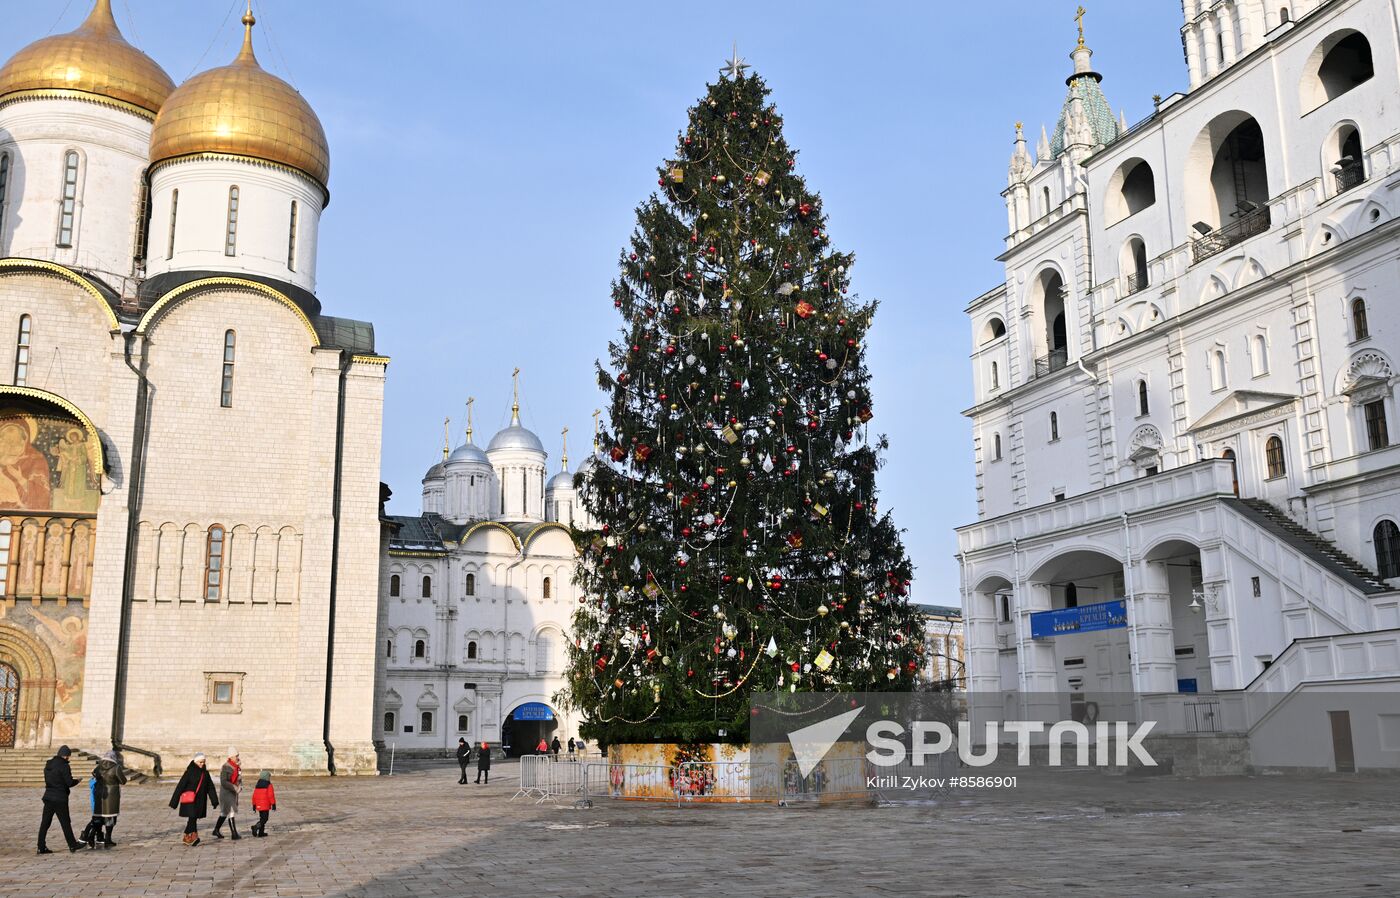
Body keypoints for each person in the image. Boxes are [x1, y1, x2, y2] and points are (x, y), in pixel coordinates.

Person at [38, 744, 83, 854]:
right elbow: (69, 782)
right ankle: (72, 845)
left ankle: (41, 846)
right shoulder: (64, 766)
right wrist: (77, 781)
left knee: (45, 823)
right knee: (65, 822)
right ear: (66, 756)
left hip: (48, 796)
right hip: (60, 798)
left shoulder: (48, 765)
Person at [169, 752, 218, 846]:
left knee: (193, 818)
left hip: (200, 801)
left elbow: (210, 787)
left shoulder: (205, 773)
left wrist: (214, 800)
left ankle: (187, 836)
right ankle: (194, 836)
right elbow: (180, 786)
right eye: (200, 762)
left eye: (203, 762)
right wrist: (174, 802)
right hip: (190, 801)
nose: (202, 764)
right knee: (192, 817)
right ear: (195, 762)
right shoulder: (189, 772)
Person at [81, 750, 125, 849]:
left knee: (98, 818)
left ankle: (92, 837)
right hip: (111, 797)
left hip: (99, 795)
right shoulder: (116, 767)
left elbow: (94, 774)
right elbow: (123, 781)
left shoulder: (99, 766)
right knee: (110, 818)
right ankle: (108, 839)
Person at [212, 748, 242, 840]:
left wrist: (240, 785)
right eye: (236, 756)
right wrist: (235, 787)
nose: (237, 757)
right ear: (231, 756)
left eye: (238, 755)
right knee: (231, 811)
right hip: (226, 792)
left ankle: (216, 830)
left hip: (233, 792)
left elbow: (239, 778)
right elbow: (223, 782)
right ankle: (234, 834)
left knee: (224, 813)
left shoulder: (237, 766)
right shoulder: (225, 767)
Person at [250, 770, 276, 837]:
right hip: (265, 805)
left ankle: (261, 833)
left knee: (262, 818)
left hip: (258, 805)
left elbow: (254, 796)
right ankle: (255, 827)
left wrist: (254, 805)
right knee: (265, 819)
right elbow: (271, 796)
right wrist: (273, 804)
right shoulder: (269, 785)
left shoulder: (258, 785)